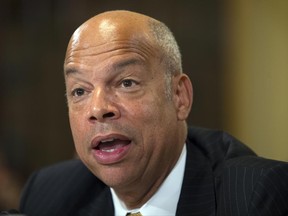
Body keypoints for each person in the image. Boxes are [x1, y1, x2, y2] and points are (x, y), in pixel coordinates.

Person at [19, 10, 288, 216]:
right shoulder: (48, 195)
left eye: (126, 83)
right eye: (80, 91)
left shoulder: (256, 195)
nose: (98, 109)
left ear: (180, 97)